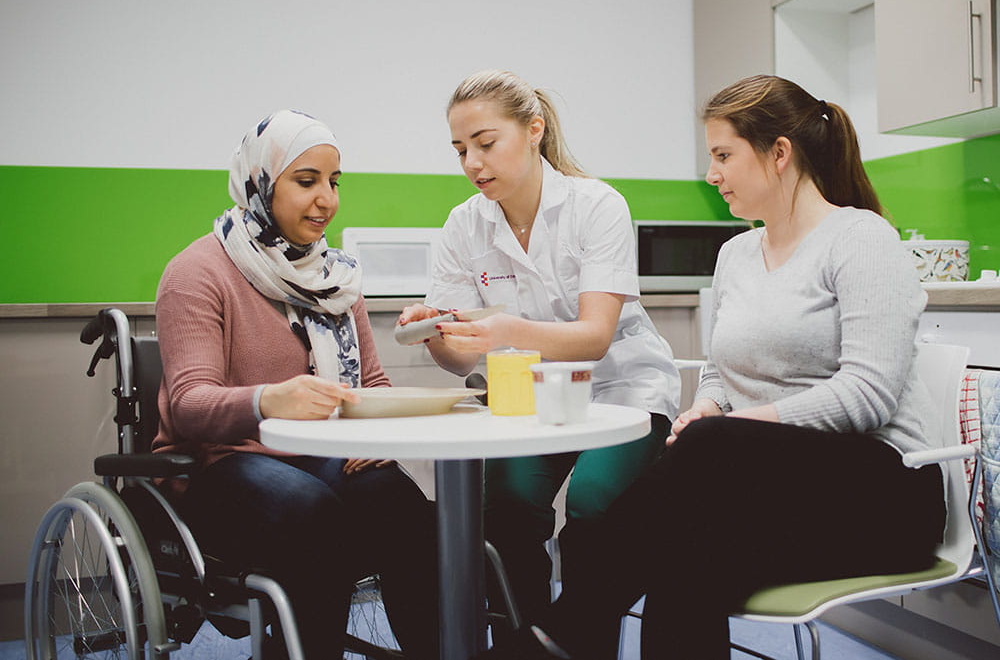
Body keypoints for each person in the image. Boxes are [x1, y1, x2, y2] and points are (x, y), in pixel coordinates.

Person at [475, 74, 948, 660]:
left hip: (883, 495)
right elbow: (725, 374)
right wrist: (709, 404)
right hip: (766, 488)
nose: (711, 173)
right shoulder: (736, 254)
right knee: (685, 554)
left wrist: (732, 427)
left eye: (724, 155)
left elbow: (868, 395)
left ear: (779, 153)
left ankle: (552, 636)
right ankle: (556, 639)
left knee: (708, 451)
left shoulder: (862, 240)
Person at [398, 69, 681, 653]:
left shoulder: (596, 205)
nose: (473, 163)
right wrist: (433, 334)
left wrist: (502, 328)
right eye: (459, 150)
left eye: (485, 143)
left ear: (533, 130)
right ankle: (521, 643)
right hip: (528, 399)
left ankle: (578, 645)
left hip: (621, 392)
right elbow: (458, 359)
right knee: (506, 505)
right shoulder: (463, 224)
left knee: (594, 502)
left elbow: (595, 337)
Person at [152, 109, 439, 660]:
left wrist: (377, 439)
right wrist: (266, 400)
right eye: (306, 182)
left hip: (322, 455)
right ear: (261, 182)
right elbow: (189, 405)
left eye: (333, 183)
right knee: (311, 513)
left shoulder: (334, 278)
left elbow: (371, 383)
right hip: (222, 463)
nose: (326, 199)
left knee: (403, 503)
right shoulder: (197, 273)